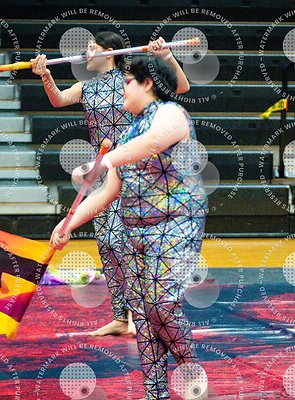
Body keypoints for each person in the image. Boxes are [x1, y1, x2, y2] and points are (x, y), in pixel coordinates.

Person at [51, 56, 208, 400]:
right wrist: (67, 223)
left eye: (127, 83)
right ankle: (155, 393)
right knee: (143, 315)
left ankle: (191, 372)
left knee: (161, 306)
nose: (121, 89)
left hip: (175, 225)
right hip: (133, 230)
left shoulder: (171, 113)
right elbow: (107, 194)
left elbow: (155, 142)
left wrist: (103, 161)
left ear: (147, 83)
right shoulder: (126, 133)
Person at [31, 31, 190, 336]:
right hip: (103, 170)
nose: (87, 53)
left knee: (121, 241)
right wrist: (45, 75)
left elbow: (181, 87)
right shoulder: (87, 87)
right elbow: (58, 100)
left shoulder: (130, 81)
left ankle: (141, 315)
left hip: (137, 168)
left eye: (93, 47)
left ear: (110, 52)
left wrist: (166, 57)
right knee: (106, 244)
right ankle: (121, 316)